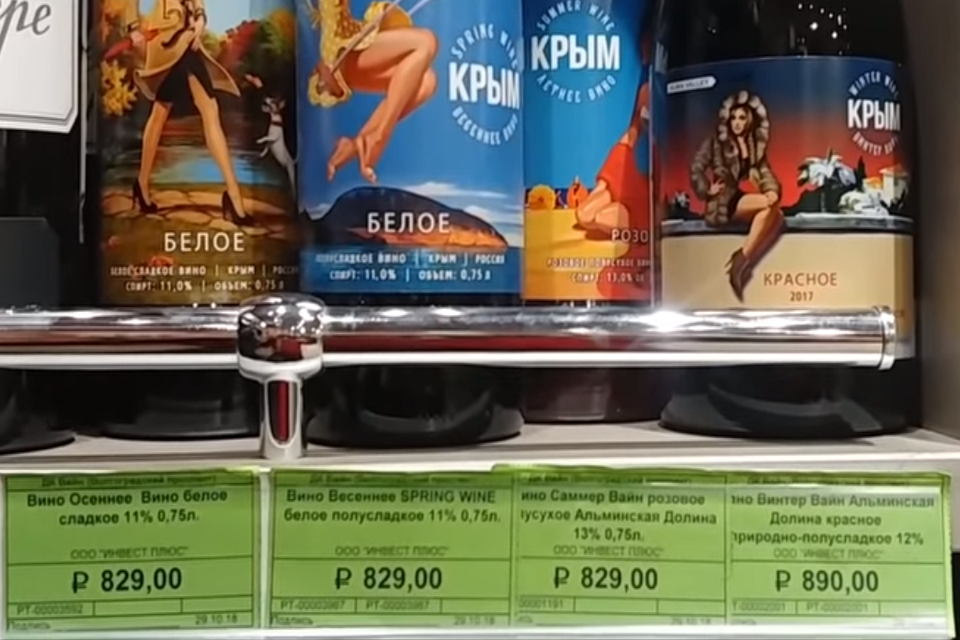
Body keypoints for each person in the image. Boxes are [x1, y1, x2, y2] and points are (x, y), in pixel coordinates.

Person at [122, 0, 250, 223]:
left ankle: (141, 185)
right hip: (165, 41)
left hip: (186, 38)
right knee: (181, 110)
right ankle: (233, 195)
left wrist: (200, 17)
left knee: (174, 110)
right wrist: (133, 27)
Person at [307, 0, 438, 183]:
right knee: (426, 41)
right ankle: (381, 135)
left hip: (352, 41)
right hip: (342, 52)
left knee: (427, 81)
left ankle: (358, 143)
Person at [690, 91, 784, 300]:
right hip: (722, 201)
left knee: (777, 217)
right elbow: (696, 167)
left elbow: (765, 172)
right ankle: (740, 262)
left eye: (741, 118)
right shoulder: (717, 143)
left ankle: (742, 260)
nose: (737, 123)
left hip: (738, 197)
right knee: (768, 206)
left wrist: (771, 190)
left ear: (749, 120)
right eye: (733, 118)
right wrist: (707, 190)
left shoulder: (753, 145)